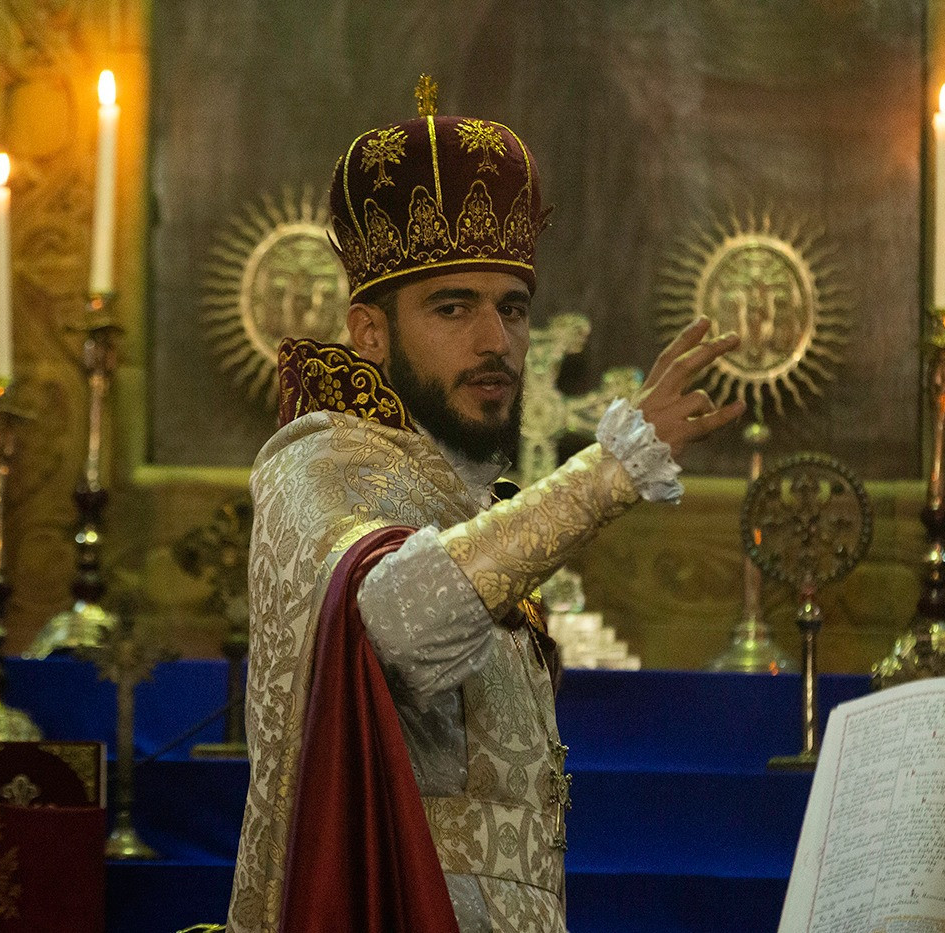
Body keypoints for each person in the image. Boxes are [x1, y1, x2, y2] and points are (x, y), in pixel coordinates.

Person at [225, 77, 744, 933]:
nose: (495, 340)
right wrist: (608, 472)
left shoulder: (467, 495)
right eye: (452, 307)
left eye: (513, 308)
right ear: (369, 331)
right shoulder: (317, 461)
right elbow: (397, 622)